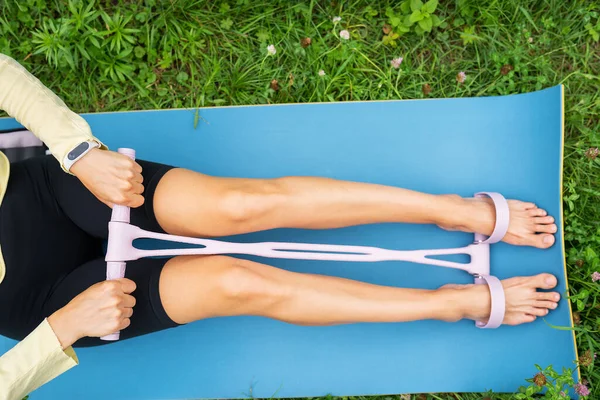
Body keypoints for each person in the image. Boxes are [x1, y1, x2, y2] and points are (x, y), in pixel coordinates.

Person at [0, 53, 561, 400]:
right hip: (48, 302)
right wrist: (64, 328)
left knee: (243, 206)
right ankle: (450, 304)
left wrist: (79, 153)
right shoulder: (58, 315)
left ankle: (454, 210)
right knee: (241, 284)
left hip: (45, 196)